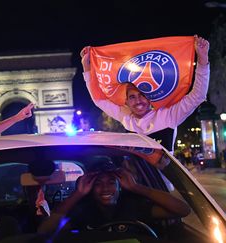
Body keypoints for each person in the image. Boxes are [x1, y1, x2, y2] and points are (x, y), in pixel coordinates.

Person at [81, 36, 210, 152]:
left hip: (162, 179)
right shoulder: (126, 117)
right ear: (125, 101)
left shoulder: (168, 116)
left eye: (142, 95)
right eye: (132, 97)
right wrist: (86, 67)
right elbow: (99, 100)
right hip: (137, 178)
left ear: (150, 98)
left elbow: (198, 95)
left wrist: (203, 59)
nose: (138, 101)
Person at [38, 166, 191, 236]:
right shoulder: (83, 212)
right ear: (90, 188)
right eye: (98, 184)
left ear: (120, 187)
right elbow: (44, 231)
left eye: (111, 182)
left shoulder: (134, 206)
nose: (105, 188)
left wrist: (137, 187)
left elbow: (183, 210)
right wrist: (78, 194)